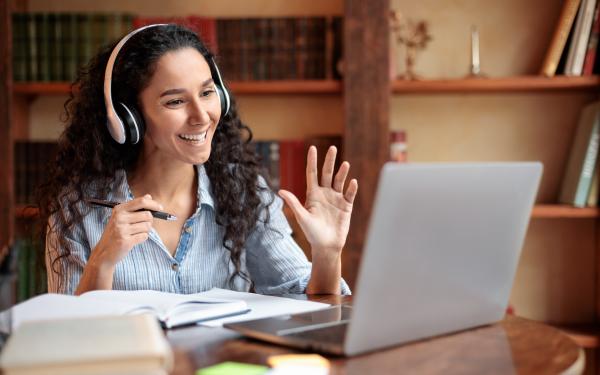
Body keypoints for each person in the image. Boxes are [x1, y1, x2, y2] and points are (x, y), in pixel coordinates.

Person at [37, 24, 358, 296]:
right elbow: (73, 337)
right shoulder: (77, 208)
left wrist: (327, 254)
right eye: (176, 101)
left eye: (206, 93)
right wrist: (102, 262)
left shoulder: (242, 190)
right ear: (127, 118)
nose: (202, 116)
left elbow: (310, 305)